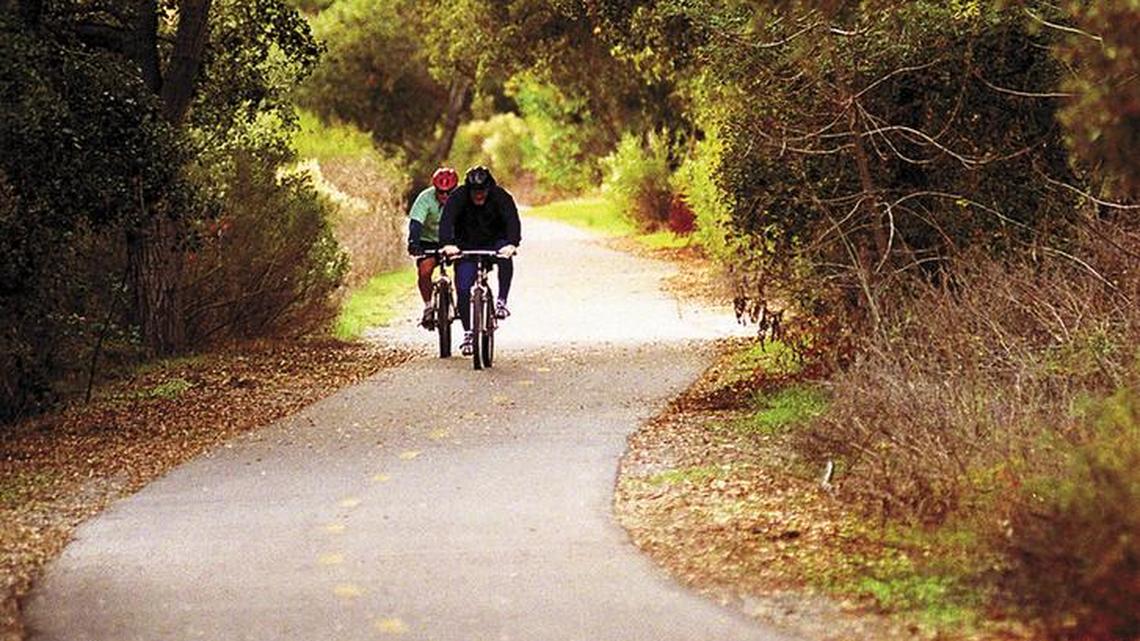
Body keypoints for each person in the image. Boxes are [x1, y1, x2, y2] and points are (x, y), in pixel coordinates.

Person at [439, 165, 521, 356]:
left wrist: (512, 244)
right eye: (475, 191)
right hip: (466, 244)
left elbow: (512, 221)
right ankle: (468, 331)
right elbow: (446, 221)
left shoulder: (501, 197)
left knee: (505, 258)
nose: (479, 195)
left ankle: (501, 301)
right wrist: (447, 244)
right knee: (463, 287)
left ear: (489, 188)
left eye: (482, 191)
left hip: (495, 242)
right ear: (469, 189)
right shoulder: (458, 197)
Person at [407, 167, 459, 327]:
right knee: (424, 271)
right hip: (429, 240)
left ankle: (460, 303)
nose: (444, 196)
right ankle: (428, 306)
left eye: (448, 192)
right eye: (440, 192)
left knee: (464, 269)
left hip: (454, 241)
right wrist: (413, 243)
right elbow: (416, 222)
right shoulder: (425, 198)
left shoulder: (462, 198)